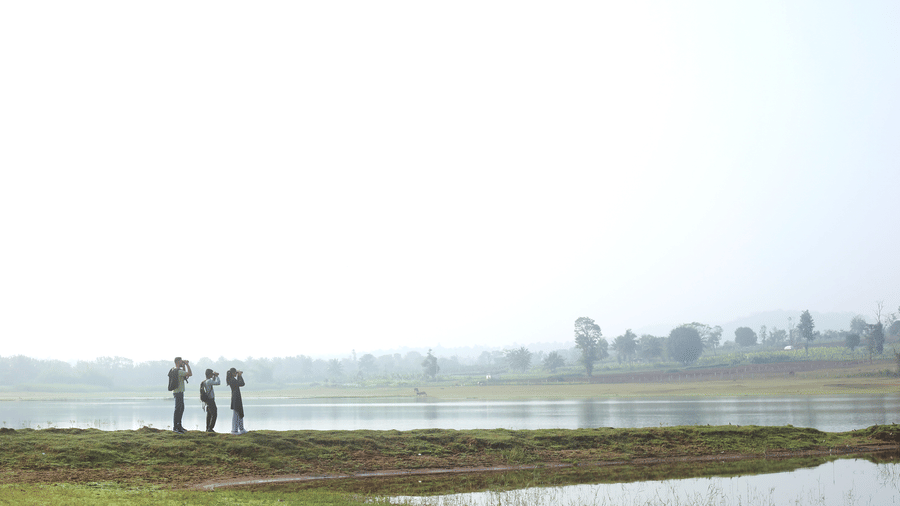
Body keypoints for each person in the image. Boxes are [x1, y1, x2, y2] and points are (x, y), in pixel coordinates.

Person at [171, 357, 192, 434]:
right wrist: (187, 365)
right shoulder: (178, 371)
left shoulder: (175, 370)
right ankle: (175, 428)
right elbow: (190, 374)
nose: (182, 362)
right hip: (178, 392)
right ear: (177, 362)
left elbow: (185, 376)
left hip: (178, 392)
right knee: (178, 410)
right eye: (181, 361)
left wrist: (183, 365)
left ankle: (179, 426)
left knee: (180, 409)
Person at [226, 368, 247, 434]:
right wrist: (239, 376)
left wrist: (239, 376)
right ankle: (234, 430)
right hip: (235, 398)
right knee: (236, 414)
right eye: (235, 372)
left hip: (237, 397)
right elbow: (242, 383)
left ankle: (241, 429)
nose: (236, 373)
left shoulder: (232, 379)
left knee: (239, 413)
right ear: (232, 373)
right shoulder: (232, 380)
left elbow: (241, 383)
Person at [201, 368, 221, 433]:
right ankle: (210, 428)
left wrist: (214, 376)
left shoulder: (205, 381)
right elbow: (218, 383)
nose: (212, 375)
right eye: (211, 374)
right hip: (210, 400)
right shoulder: (209, 381)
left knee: (209, 414)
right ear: (209, 374)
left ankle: (208, 428)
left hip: (207, 400)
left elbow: (213, 381)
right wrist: (217, 376)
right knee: (214, 414)